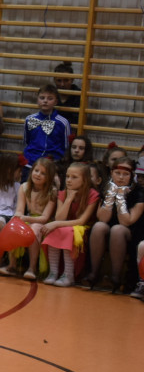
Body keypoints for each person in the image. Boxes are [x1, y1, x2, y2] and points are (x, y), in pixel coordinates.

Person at [85, 158, 144, 293]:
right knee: (99, 227)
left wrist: (121, 198)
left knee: (118, 229)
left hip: (131, 232)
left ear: (132, 175)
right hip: (108, 227)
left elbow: (127, 221)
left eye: (125, 174)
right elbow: (103, 218)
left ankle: (116, 277)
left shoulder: (139, 192)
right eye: (118, 173)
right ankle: (93, 273)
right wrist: (111, 196)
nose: (121, 177)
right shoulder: (107, 189)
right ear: (112, 173)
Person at [0, 157, 58, 280]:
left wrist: (24, 218)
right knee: (12, 227)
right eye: (36, 171)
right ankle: (12, 265)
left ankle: (32, 268)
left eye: (43, 173)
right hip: (28, 218)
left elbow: (45, 218)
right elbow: (19, 209)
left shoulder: (52, 191)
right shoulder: (24, 187)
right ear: (31, 171)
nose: (38, 175)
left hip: (41, 222)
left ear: (49, 177)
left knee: (34, 230)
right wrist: (17, 217)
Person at [40, 162, 99, 287]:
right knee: (55, 230)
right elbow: (59, 217)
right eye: (67, 176)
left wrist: (56, 224)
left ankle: (69, 274)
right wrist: (68, 199)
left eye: (74, 177)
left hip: (83, 229)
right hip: (64, 226)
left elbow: (81, 221)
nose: (69, 180)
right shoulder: (63, 193)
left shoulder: (93, 194)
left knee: (66, 230)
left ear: (85, 179)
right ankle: (53, 272)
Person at [22, 84, 71, 175]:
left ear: (56, 102)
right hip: (30, 163)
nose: (45, 101)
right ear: (37, 100)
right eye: (42, 98)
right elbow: (27, 141)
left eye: (50, 98)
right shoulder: (29, 119)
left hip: (53, 165)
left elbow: (66, 146)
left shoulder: (63, 122)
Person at [54, 60, 81, 125]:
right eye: (59, 80)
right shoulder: (51, 93)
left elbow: (77, 120)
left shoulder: (78, 94)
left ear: (72, 80)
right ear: (54, 80)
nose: (62, 84)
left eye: (66, 80)